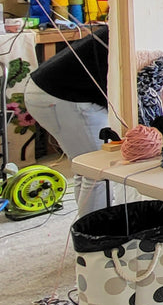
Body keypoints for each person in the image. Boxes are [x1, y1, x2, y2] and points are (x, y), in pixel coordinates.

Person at [20, 24, 112, 216]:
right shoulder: (134, 35)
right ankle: (97, 236)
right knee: (99, 171)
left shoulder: (128, 28)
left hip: (46, 90)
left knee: (86, 167)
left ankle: (90, 231)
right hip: (61, 97)